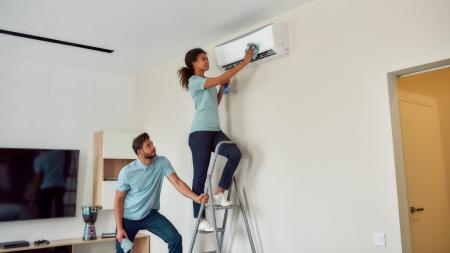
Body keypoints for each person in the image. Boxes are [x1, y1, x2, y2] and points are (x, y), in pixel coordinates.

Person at [177, 47, 254, 231]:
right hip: (199, 134)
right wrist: (245, 62)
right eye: (203, 58)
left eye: (206, 58)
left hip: (214, 131)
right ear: (193, 63)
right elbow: (219, 78)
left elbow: (215, 103)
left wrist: (221, 90)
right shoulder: (195, 81)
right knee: (200, 176)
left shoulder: (207, 83)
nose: (207, 61)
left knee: (235, 153)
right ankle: (200, 219)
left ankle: (220, 192)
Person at [115, 133, 208, 253]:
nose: (153, 147)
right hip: (128, 219)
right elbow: (118, 200)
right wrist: (119, 228)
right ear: (140, 152)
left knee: (175, 239)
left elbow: (177, 183)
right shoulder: (127, 172)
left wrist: (196, 198)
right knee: (122, 251)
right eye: (148, 145)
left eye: (152, 143)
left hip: (149, 214)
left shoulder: (162, 162)